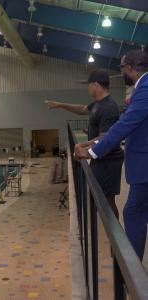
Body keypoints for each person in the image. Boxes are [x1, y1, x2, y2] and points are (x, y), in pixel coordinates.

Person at [75, 50, 148, 260]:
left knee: (132, 212)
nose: (122, 72)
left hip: (144, 166)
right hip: (141, 165)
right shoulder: (140, 88)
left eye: (123, 68)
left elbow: (125, 125)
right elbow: (122, 125)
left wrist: (92, 152)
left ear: (131, 69)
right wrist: (91, 144)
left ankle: (130, 270)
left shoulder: (145, 88)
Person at [45, 70, 124, 218]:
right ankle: (107, 229)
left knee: (107, 199)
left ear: (96, 85)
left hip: (109, 160)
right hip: (100, 157)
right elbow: (82, 109)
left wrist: (84, 147)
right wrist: (60, 105)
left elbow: (105, 138)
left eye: (89, 85)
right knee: (99, 196)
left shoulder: (108, 107)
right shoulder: (98, 104)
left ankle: (114, 235)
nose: (88, 88)